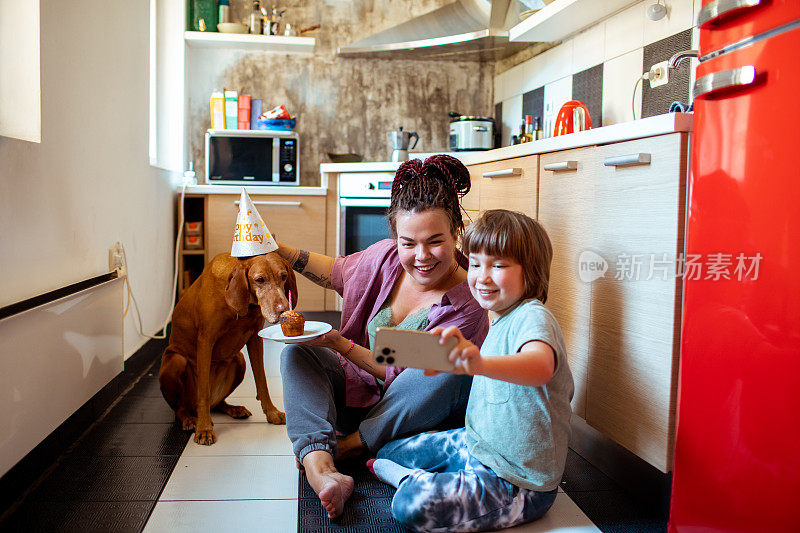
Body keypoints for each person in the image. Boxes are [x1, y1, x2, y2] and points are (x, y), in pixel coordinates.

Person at [275, 155, 491, 519]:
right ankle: (322, 468)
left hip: (414, 412)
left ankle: (345, 450)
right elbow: (337, 271)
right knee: (296, 353)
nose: (420, 256)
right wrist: (278, 250)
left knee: (442, 363)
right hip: (358, 398)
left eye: (434, 241)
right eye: (408, 243)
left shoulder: (469, 303)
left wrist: (339, 344)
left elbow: (399, 369)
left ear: (457, 232)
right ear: (395, 237)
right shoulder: (387, 260)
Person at [368, 209, 574, 532]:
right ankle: (434, 477)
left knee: (409, 506)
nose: (482, 277)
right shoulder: (502, 316)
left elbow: (541, 367)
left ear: (530, 272)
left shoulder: (533, 317)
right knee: (390, 450)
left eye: (498, 265)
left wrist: (478, 363)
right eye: (476, 264)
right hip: (478, 446)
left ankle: (418, 482)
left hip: (516, 480)